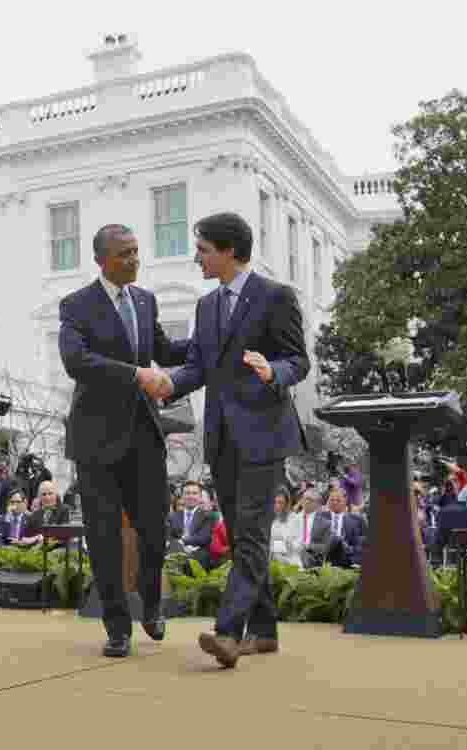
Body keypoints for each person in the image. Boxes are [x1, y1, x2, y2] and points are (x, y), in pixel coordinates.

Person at [161, 212, 310, 668]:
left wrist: (273, 372)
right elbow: (196, 367)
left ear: (228, 251)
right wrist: (165, 383)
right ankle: (263, 632)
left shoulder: (275, 297)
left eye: (203, 249)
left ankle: (228, 633)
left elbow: (298, 360)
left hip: (264, 434)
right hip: (222, 438)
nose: (196, 258)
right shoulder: (206, 307)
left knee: (249, 536)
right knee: (247, 534)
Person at [58, 223, 190, 658]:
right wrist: (135, 374)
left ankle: (151, 604)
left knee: (155, 532)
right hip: (96, 439)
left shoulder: (145, 301)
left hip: (144, 436)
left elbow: (166, 352)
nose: (135, 260)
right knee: (104, 537)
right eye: (125, 254)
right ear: (102, 260)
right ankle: (117, 627)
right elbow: (77, 361)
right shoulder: (77, 306)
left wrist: (213, 340)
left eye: (136, 252)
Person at [269, 486, 303, 567]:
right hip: (275, 563)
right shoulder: (273, 522)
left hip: (291, 563)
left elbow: (299, 545)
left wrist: (285, 545)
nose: (277, 506)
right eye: (275, 502)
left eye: (280, 502)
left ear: (287, 504)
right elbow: (270, 546)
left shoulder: (295, 519)